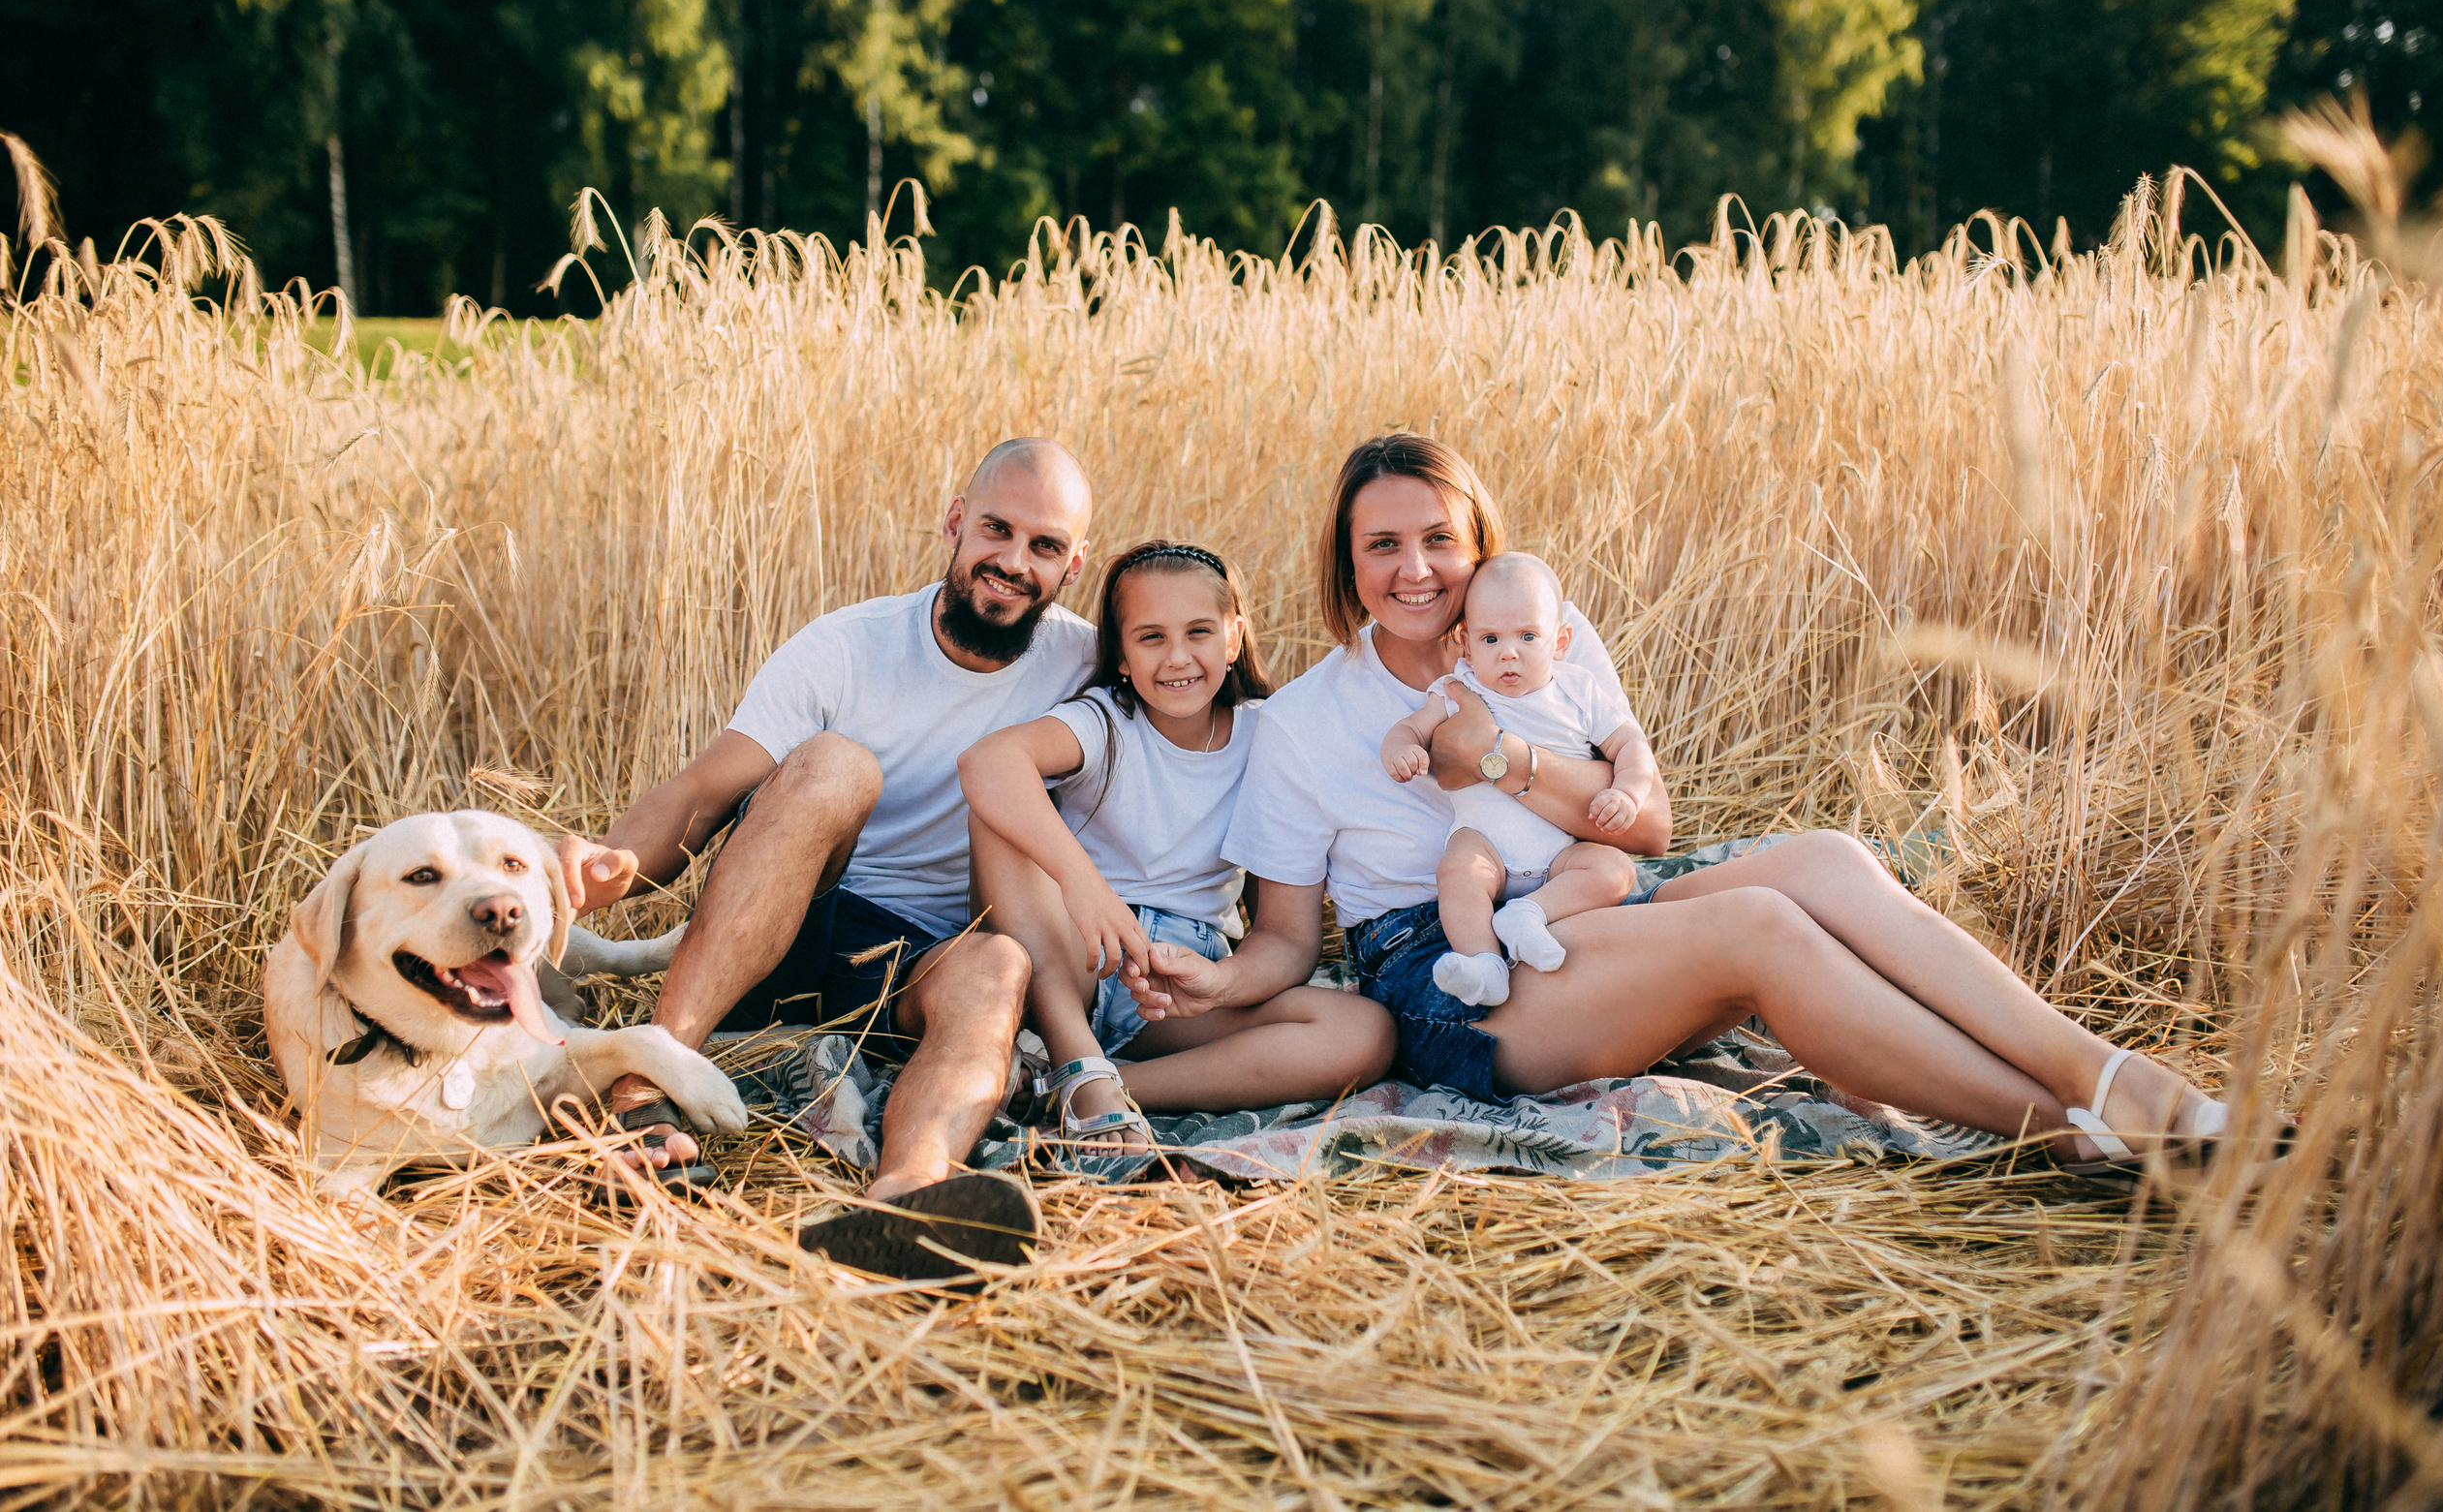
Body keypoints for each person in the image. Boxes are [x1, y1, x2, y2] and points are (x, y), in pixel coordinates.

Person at [1126, 432, 2229, 1176]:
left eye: (1438, 540)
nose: (1416, 570)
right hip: (1451, 978)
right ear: (1347, 563)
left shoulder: (1542, 640)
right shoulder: (1306, 720)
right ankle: (2058, 1125)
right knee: (1756, 928)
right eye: (1383, 546)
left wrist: (1500, 755)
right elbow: (1287, 938)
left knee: (1827, 857)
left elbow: (1646, 829)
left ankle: (2105, 1075)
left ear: (1479, 547)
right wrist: (1219, 981)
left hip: (1584, 902)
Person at [553, 438, 1097, 1276]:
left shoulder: (1088, 663)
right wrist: (608, 864)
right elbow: (706, 786)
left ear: (1073, 564)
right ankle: (645, 1092)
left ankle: (907, 1201)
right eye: (997, 528)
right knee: (838, 764)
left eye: (1045, 545)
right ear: (955, 520)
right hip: (787, 927)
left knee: (1001, 963)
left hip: (918, 970)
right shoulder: (848, 646)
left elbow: (1209, 707)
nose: (1014, 561)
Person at [958, 540, 1393, 1159]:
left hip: (1173, 989)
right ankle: (1075, 1055)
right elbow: (987, 761)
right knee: (997, 809)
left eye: (1199, 632)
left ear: (1234, 638)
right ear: (1122, 656)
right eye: (1151, 637)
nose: (1178, 657)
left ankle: (1095, 1086)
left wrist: (1219, 982)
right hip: (1074, 954)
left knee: (1363, 1033)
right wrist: (1086, 886)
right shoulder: (1106, 722)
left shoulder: (1271, 736)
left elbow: (1287, 937)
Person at [1379, 551, 1654, 1008]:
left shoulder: (1578, 691)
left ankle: (1529, 914)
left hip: (1561, 855)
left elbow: (1631, 744)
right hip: (1486, 844)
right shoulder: (1459, 689)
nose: (1509, 652)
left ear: (1560, 641)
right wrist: (1401, 749)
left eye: (1528, 636)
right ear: (1467, 646)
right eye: (1490, 639)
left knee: (1614, 870)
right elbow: (1411, 728)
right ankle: (1484, 964)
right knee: (1458, 872)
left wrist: (1627, 790)